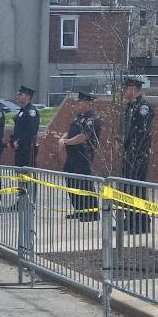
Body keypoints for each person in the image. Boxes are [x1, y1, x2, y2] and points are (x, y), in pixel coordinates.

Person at [59, 92, 102, 222]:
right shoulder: (78, 117)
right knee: (72, 183)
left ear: (88, 103)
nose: (78, 104)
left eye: (81, 102)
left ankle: (92, 212)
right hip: (72, 156)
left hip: (83, 155)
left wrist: (67, 142)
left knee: (84, 185)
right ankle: (79, 210)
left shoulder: (92, 119)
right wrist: (62, 138)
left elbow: (84, 136)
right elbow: (70, 131)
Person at [120, 76, 155, 234]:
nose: (124, 91)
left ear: (133, 88)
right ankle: (130, 219)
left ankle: (141, 223)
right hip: (129, 154)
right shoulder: (130, 106)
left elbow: (141, 133)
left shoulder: (143, 107)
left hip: (138, 154)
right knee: (128, 188)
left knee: (137, 189)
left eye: (126, 88)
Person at [11, 85, 39, 167]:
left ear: (27, 97)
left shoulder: (31, 111)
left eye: (20, 94)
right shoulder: (23, 110)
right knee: (19, 170)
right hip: (20, 146)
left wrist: (19, 141)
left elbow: (32, 130)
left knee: (27, 170)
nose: (18, 96)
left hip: (27, 147)